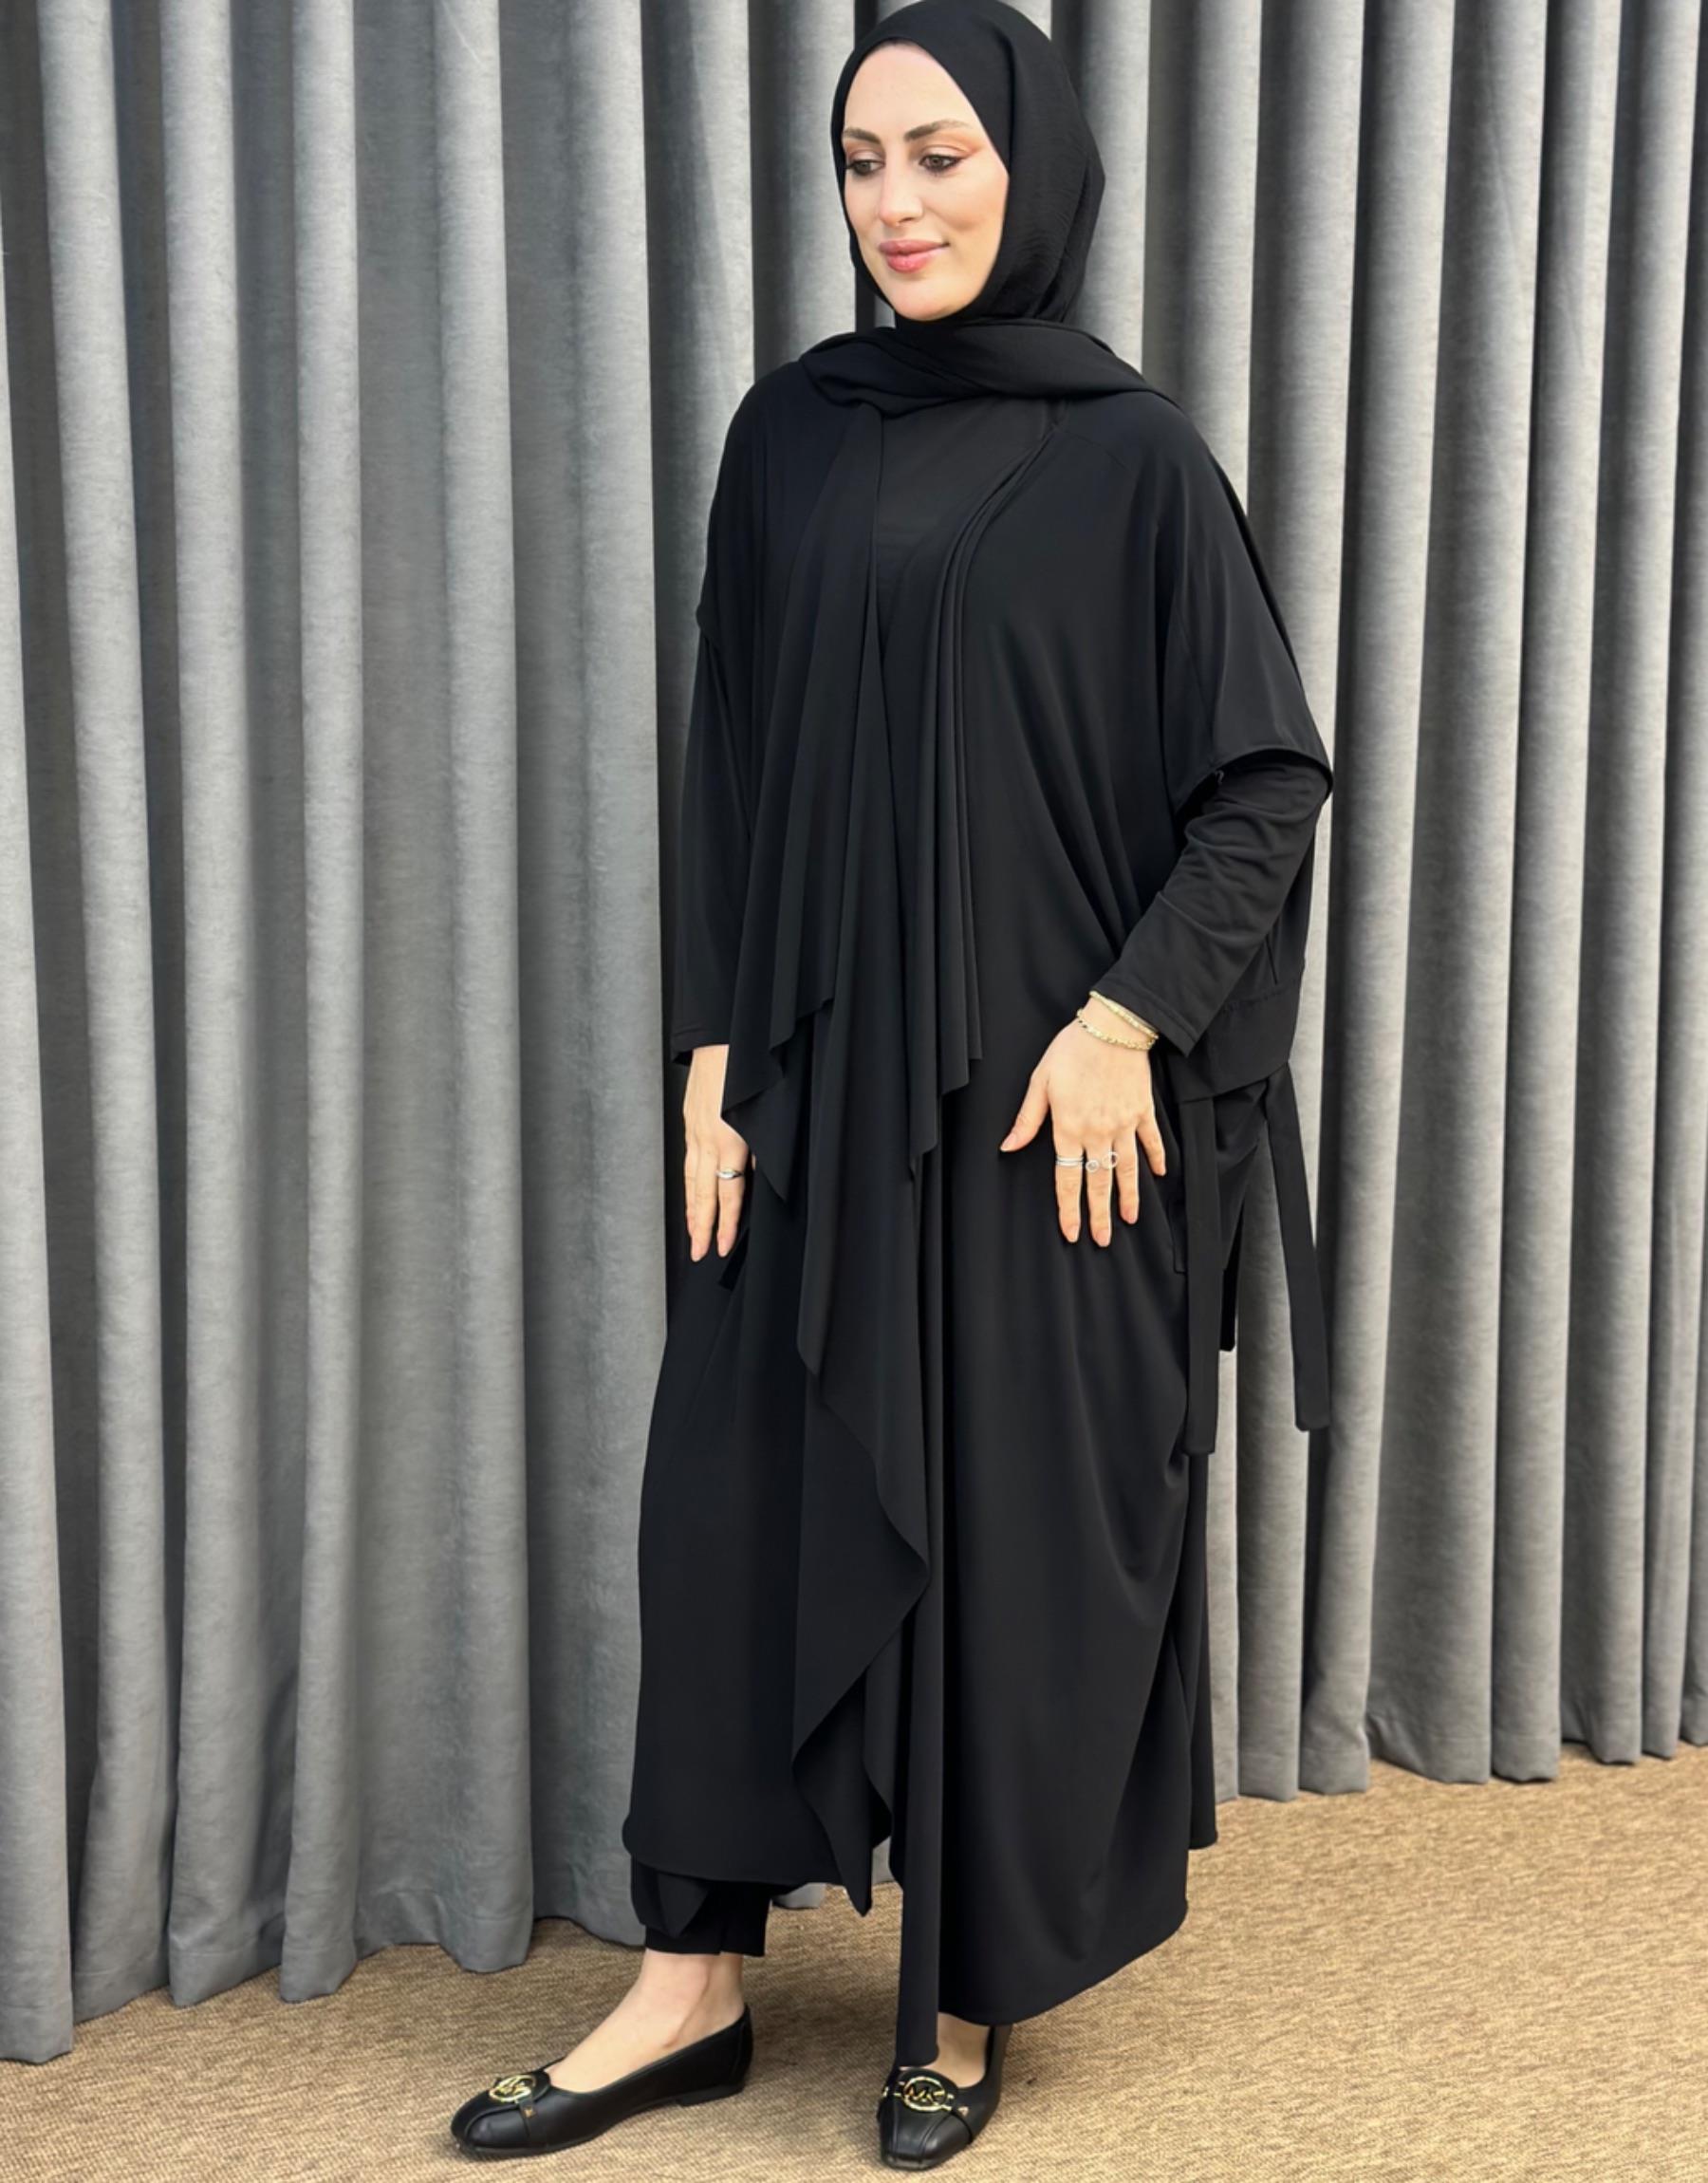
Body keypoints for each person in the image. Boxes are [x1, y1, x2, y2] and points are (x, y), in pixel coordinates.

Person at [450, 0, 1333, 2166]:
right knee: (730, 1513)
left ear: (1029, 168)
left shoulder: (1134, 460)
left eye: (940, 155)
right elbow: (732, 765)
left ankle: (960, 1986)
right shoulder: (792, 432)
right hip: (814, 1092)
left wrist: (1126, 1024)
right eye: (863, 162)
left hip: (1044, 1122)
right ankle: (688, 1987)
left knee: (1006, 1550)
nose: (897, 204)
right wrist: (709, 1054)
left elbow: (1264, 784)